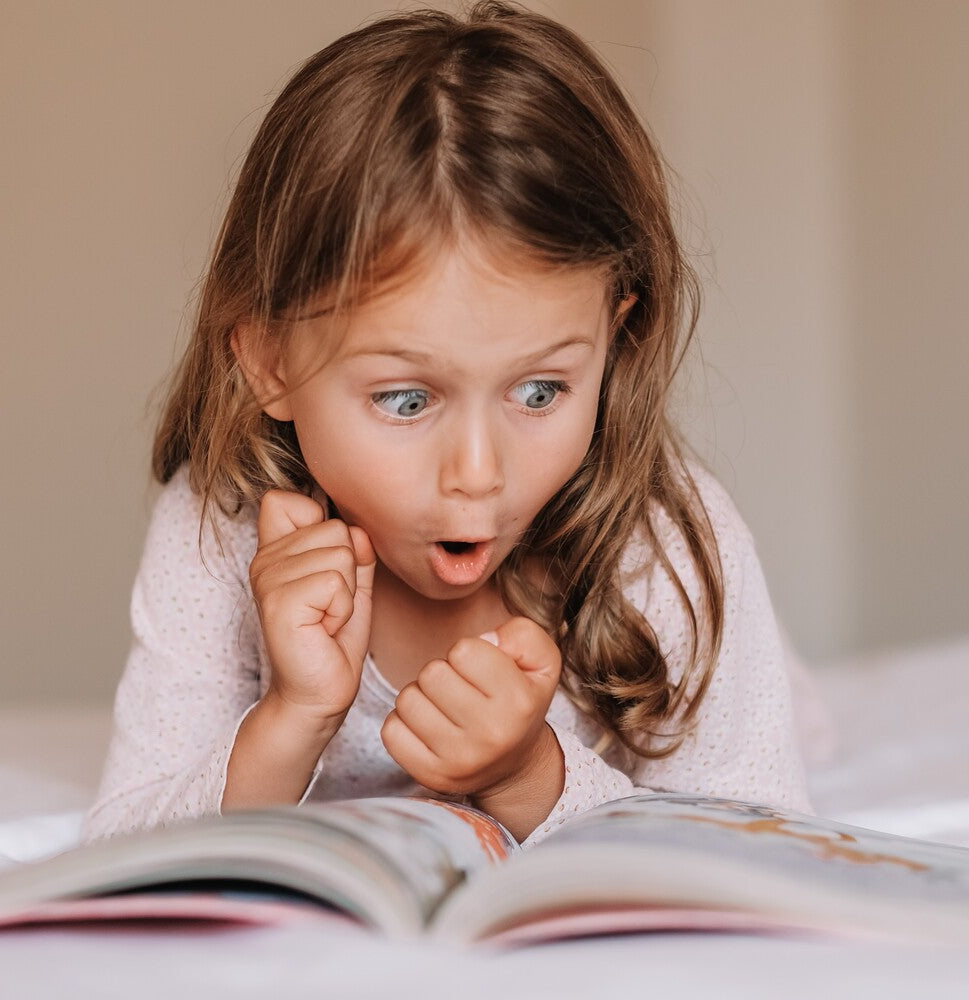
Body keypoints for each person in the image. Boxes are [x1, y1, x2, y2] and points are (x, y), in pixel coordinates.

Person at [84, 1, 819, 849]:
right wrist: (292, 718)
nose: (477, 472)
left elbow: (761, 849)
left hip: (731, 671)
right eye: (406, 400)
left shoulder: (667, 545)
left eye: (540, 392)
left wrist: (528, 777)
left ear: (614, 339)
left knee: (791, 711)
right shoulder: (221, 529)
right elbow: (118, 849)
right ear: (271, 365)